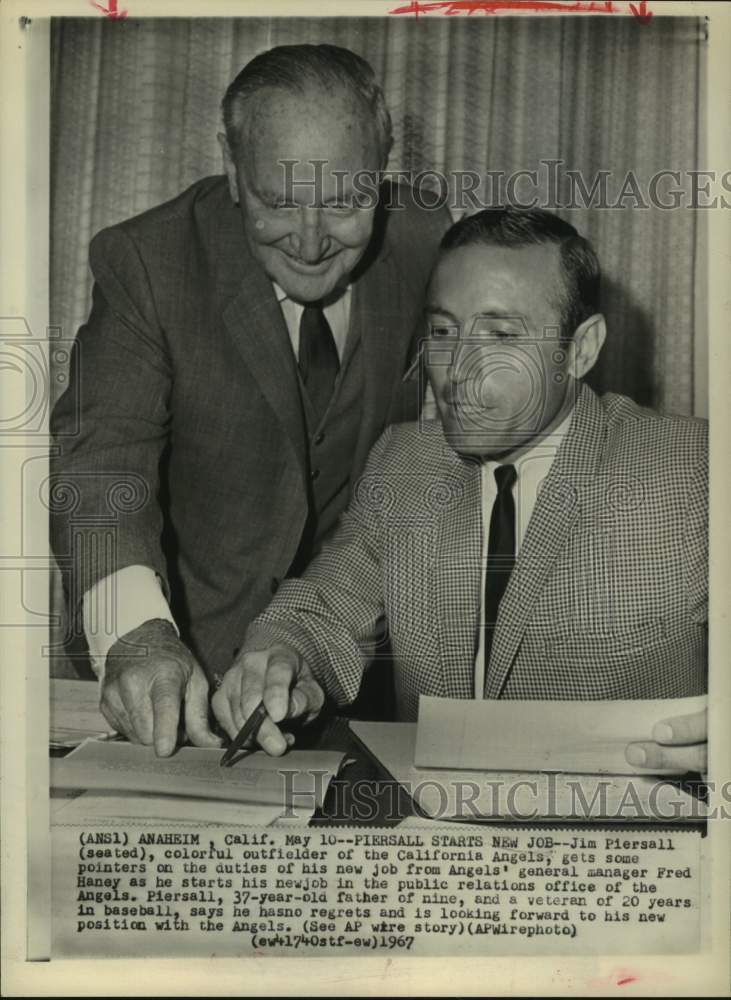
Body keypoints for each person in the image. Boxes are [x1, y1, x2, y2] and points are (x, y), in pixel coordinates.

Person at [49, 44, 449, 756]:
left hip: (350, 674)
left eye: (345, 202)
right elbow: (100, 471)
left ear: (385, 164)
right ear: (232, 167)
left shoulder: (426, 242)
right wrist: (137, 637)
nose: (311, 241)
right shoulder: (150, 261)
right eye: (279, 201)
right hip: (172, 684)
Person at [217, 207, 708, 774]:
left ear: (581, 349)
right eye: (445, 332)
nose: (457, 373)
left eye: (500, 334)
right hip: (438, 839)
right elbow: (326, 608)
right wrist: (282, 655)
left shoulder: (692, 469)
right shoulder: (405, 463)